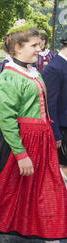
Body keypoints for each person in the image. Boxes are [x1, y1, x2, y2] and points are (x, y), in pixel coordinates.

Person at [0, 20, 67, 243]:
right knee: (6, 189)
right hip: (18, 142)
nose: (39, 48)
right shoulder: (9, 76)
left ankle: (52, 239)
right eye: (33, 45)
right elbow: (7, 119)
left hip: (40, 139)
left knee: (49, 187)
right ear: (17, 47)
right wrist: (21, 154)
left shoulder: (32, 71)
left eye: (39, 44)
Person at [42, 36, 67, 187]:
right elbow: (49, 105)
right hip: (62, 130)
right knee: (63, 168)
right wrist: (56, 134)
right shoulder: (54, 67)